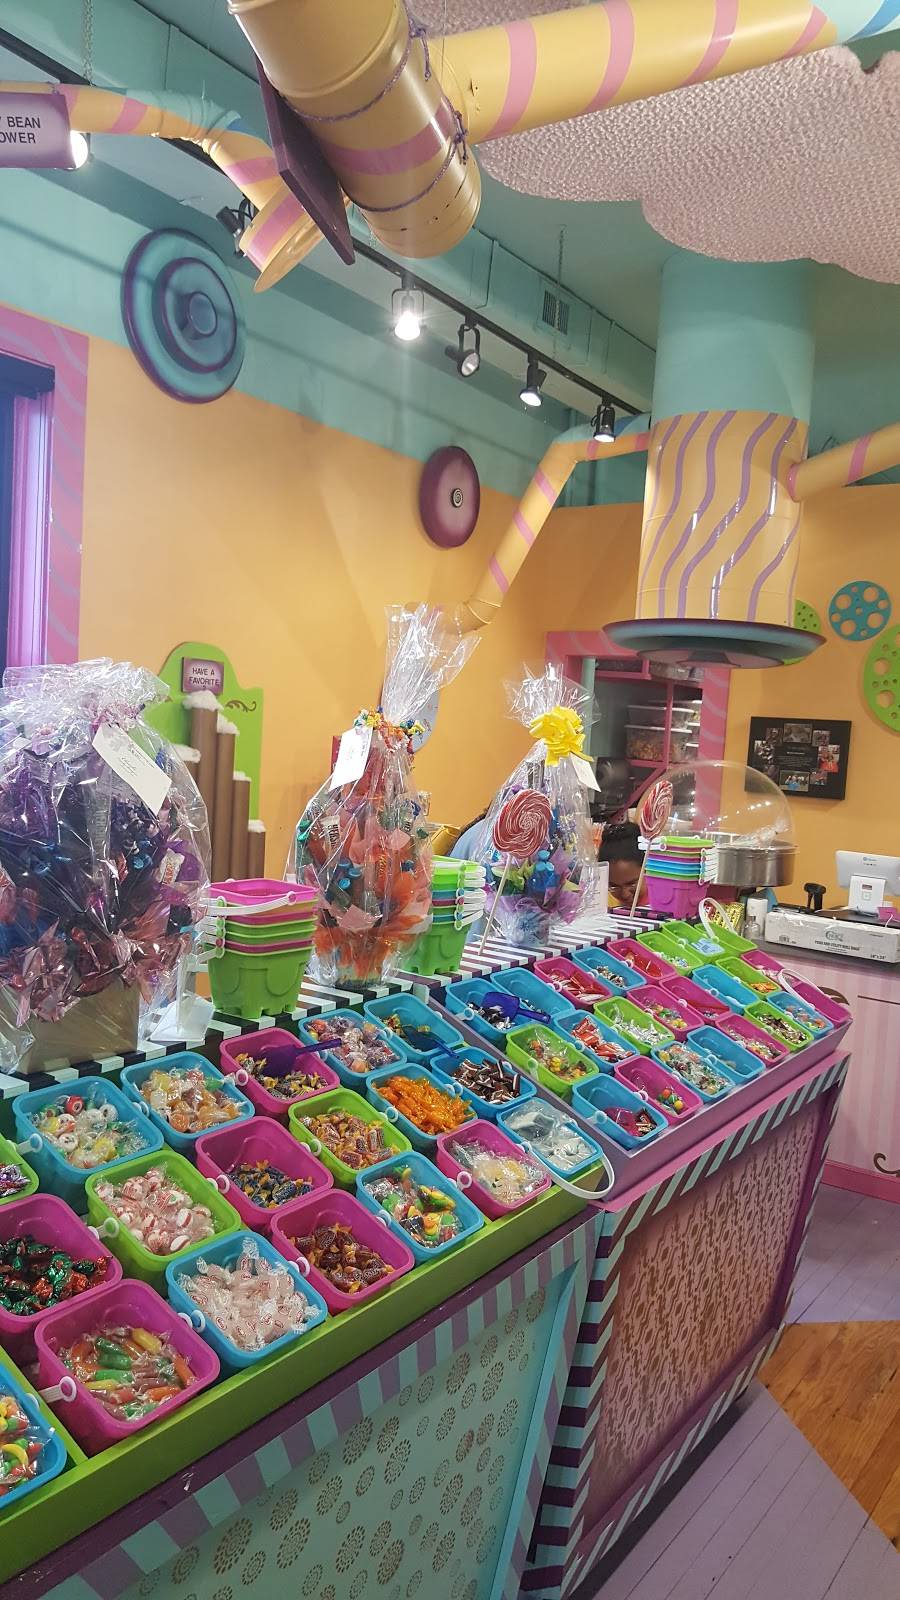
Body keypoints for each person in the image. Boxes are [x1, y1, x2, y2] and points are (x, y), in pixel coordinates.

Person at [597, 821, 645, 909]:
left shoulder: (666, 907)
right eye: (614, 886)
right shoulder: (604, 904)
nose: (625, 894)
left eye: (632, 884)